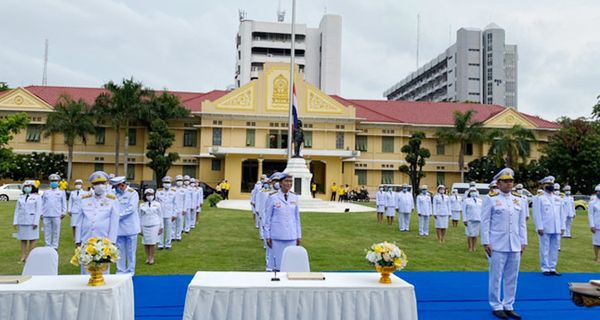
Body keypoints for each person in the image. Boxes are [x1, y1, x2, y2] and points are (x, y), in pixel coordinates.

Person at [481, 168, 527, 320]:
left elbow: (522, 223)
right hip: (497, 243)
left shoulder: (519, 199)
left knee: (512, 276)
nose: (509, 184)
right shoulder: (491, 198)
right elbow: (485, 221)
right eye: (505, 181)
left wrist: (523, 241)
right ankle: (496, 305)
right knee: (496, 276)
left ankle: (509, 304)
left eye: (511, 181)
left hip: (514, 243)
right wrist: (486, 241)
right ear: (498, 183)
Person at [74, 171, 120, 274]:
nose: (100, 186)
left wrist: (112, 242)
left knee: (103, 268)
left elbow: (114, 222)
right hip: (86, 238)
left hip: (104, 239)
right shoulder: (84, 199)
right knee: (85, 267)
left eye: (103, 183)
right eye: (96, 183)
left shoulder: (112, 199)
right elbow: (79, 221)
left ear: (106, 184)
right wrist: (78, 240)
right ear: (92, 185)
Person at [264, 172, 301, 271]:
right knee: (275, 265)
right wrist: (267, 236)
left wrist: (298, 235)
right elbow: (267, 218)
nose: (289, 183)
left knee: (290, 264)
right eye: (286, 181)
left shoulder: (294, 197)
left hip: (291, 236)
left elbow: (297, 218)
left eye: (290, 181)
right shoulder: (273, 197)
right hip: (277, 236)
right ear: (280, 183)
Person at [532, 176, 565, 276]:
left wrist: (563, 227)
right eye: (548, 184)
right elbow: (537, 213)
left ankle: (552, 267)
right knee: (545, 248)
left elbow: (561, 214)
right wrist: (539, 227)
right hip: (545, 227)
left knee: (554, 248)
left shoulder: (558, 198)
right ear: (543, 186)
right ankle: (545, 268)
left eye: (551, 184)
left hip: (556, 227)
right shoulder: (539, 198)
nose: (550, 186)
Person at [111, 176, 141, 275]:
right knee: (119, 250)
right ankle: (120, 270)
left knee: (131, 251)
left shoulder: (133, 193)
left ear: (122, 185)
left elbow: (131, 208)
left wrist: (117, 216)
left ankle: (131, 270)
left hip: (130, 226)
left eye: (117, 187)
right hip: (119, 227)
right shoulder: (113, 194)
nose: (115, 189)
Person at [13, 180, 42, 262]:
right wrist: (15, 221)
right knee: (23, 239)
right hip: (22, 221)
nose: (27, 187)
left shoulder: (37, 197)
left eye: (29, 186)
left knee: (32, 239)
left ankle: (30, 256)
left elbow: (38, 210)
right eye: (25, 186)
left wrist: (36, 222)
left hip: (32, 221)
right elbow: (17, 210)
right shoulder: (21, 197)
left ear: (32, 187)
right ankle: (23, 256)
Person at [41, 173, 67, 250]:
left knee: (56, 230)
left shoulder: (61, 192)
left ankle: (55, 245)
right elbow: (42, 203)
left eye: (55, 181)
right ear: (49, 182)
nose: (53, 182)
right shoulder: (46, 192)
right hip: (46, 214)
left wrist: (63, 212)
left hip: (57, 214)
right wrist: (41, 213)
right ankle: (47, 244)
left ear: (58, 182)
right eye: (52, 181)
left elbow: (64, 203)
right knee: (47, 230)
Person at [139, 189, 163, 265]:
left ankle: (151, 257)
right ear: (145, 196)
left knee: (152, 242)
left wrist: (161, 226)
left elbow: (160, 215)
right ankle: (147, 257)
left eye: (152, 194)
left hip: (155, 224)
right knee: (146, 243)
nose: (150, 196)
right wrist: (139, 228)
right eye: (148, 194)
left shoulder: (157, 204)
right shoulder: (142, 205)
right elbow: (139, 217)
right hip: (145, 224)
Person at [156, 176, 176, 250]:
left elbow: (175, 204)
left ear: (170, 183)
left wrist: (174, 214)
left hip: (169, 213)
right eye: (165, 182)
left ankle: (168, 244)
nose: (167, 184)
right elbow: (156, 202)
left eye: (168, 183)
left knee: (168, 229)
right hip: (160, 213)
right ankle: (160, 244)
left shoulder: (173, 192)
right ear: (163, 183)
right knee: (160, 229)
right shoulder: (159, 191)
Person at [462, 187, 482, 252]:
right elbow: (464, 211)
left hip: (478, 219)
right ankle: (470, 247)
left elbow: (482, 210)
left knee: (475, 235)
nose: (473, 192)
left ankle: (474, 247)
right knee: (470, 234)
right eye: (472, 191)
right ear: (469, 193)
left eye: (474, 191)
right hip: (469, 219)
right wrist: (464, 219)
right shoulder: (466, 200)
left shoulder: (480, 200)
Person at [173, 175, 187, 241]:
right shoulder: (172, 189)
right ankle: (172, 236)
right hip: (173, 209)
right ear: (175, 181)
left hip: (181, 209)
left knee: (179, 223)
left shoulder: (184, 190)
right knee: (173, 223)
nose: (179, 182)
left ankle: (178, 236)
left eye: (180, 181)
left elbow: (185, 200)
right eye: (178, 181)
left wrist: (184, 209)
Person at [589, 184, 600, 262]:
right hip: (597, 225)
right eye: (598, 191)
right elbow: (590, 214)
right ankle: (597, 257)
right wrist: (592, 225)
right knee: (596, 242)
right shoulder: (592, 202)